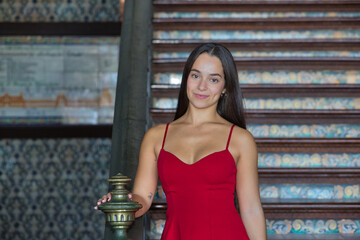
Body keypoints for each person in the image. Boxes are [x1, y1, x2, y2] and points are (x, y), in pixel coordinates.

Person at [95, 43, 266, 239]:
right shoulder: (156, 137)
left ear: (225, 87)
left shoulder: (240, 139)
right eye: (195, 75)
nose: (202, 86)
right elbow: (143, 198)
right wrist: (121, 202)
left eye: (213, 79)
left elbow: (251, 209)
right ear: (186, 78)